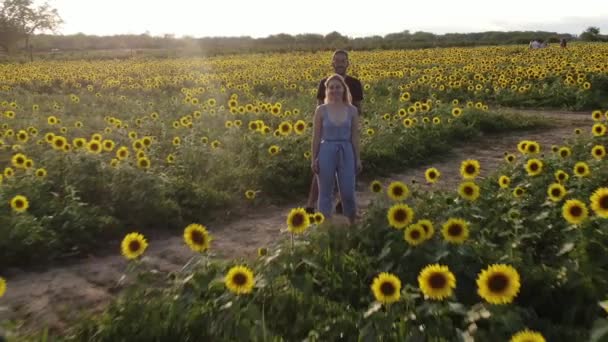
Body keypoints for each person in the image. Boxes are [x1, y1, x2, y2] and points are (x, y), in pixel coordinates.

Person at [305, 50, 363, 214]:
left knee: (348, 173)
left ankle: (341, 203)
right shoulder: (324, 82)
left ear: (347, 63)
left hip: (348, 130)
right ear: (332, 63)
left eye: (342, 61)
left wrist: (349, 116)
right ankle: (311, 203)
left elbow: (359, 108)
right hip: (328, 132)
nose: (339, 63)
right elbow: (319, 106)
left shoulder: (355, 83)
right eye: (336, 60)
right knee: (322, 172)